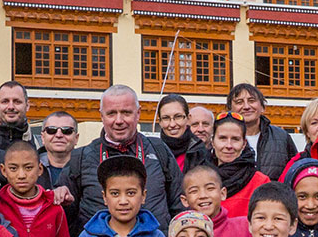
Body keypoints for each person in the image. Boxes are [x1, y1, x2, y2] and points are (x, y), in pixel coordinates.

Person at [66, 86, 183, 229]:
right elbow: (65, 217)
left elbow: (180, 207)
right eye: (111, 113)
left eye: (126, 113)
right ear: (102, 116)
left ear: (138, 113)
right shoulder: (81, 158)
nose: (119, 120)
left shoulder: (159, 150)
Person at [0, 138, 72, 237]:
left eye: (28, 168)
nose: (21, 175)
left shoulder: (54, 207)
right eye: (13, 168)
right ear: (3, 170)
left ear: (40, 169)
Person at [182, 162, 253, 237]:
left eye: (210, 189)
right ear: (184, 200)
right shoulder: (180, 234)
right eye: (194, 191)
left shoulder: (245, 227)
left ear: (223, 193)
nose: (203, 195)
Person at [229, 83, 296, 181]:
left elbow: (295, 173)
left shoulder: (282, 137)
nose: (246, 106)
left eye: (252, 101)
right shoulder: (224, 139)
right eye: (239, 102)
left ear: (262, 107)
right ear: (230, 110)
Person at [211, 114, 270, 219]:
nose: (229, 145)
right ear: (213, 142)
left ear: (244, 144)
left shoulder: (260, 182)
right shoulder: (199, 178)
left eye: (235, 139)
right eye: (222, 138)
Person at [154, 94, 213, 173]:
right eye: (166, 118)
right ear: (160, 122)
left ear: (188, 118)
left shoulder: (200, 152)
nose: (172, 124)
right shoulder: (152, 152)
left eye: (178, 117)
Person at [39, 111, 80, 198]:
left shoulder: (88, 168)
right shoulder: (30, 168)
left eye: (67, 131)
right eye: (51, 130)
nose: (58, 135)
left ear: (76, 138)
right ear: (42, 137)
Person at [0, 81, 33, 152]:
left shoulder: (42, 146)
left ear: (27, 105)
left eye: (17, 101)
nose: (11, 107)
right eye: (5, 101)